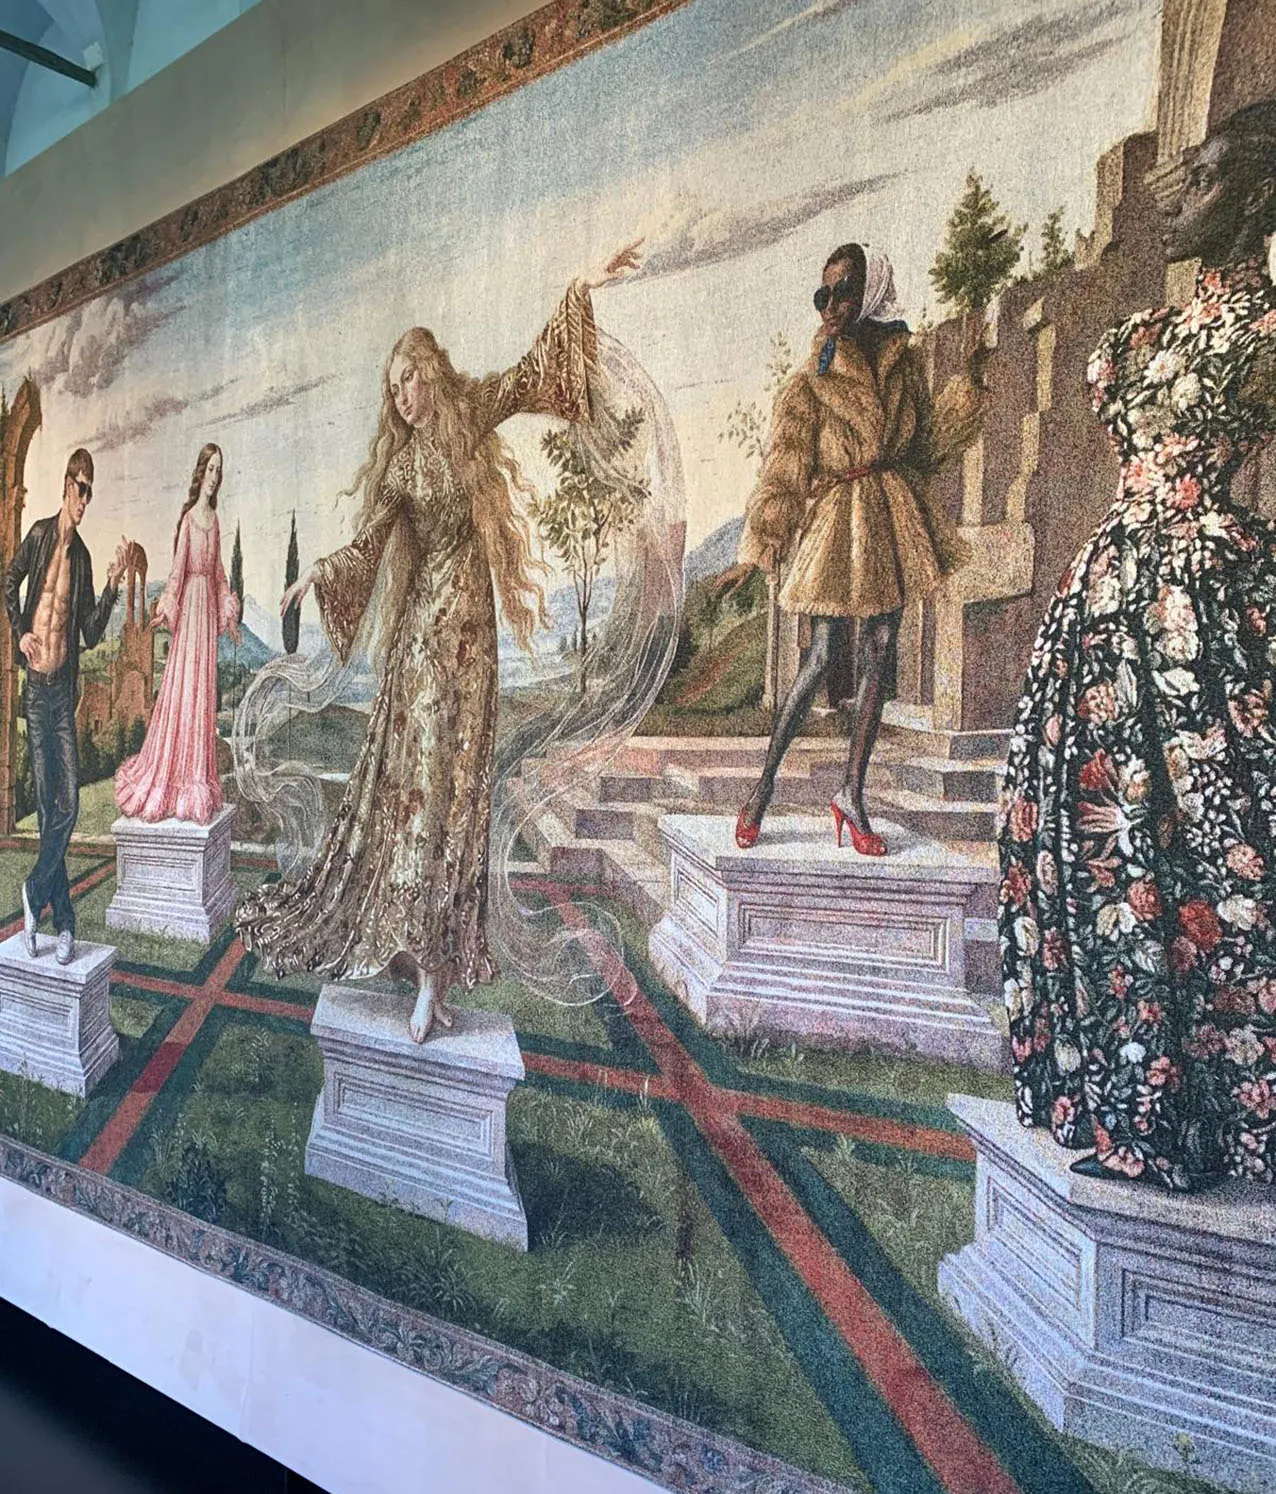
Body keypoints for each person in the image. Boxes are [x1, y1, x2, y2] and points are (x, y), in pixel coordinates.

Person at [236, 242, 643, 1042]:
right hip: (423, 645)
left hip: (473, 641)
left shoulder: (469, 415)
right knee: (422, 792)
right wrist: (316, 574)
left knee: (460, 797)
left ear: (431, 373)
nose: (403, 396)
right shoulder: (398, 470)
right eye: (393, 388)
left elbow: (531, 374)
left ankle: (438, 971)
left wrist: (581, 285)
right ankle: (422, 967)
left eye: (409, 380)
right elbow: (367, 547)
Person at [998, 99, 1276, 1192]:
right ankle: (1122, 1092)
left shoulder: (1263, 335)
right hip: (1108, 602)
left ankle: (1208, 1106)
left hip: (1204, 606)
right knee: (1103, 836)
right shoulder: (1143, 338)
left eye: (1206, 179)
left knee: (1215, 835)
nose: (1180, 195)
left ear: (1257, 198)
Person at [715, 242, 989, 854]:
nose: (831, 306)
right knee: (820, 657)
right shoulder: (810, 380)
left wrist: (969, 385)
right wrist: (755, 551)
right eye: (824, 294)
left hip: (891, 519)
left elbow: (926, 449)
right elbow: (784, 469)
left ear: (871, 294)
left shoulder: (903, 364)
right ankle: (761, 789)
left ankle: (851, 794)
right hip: (838, 523)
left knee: (881, 652)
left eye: (844, 292)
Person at [4, 449, 128, 964]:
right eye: (81, 488)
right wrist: (21, 633)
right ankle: (65, 924)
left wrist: (115, 584)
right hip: (36, 693)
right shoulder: (38, 537)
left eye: (91, 492)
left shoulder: (84, 559)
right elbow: (8, 582)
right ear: (65, 486)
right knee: (49, 803)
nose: (85, 500)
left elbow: (91, 633)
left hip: (62, 698)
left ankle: (34, 895)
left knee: (68, 805)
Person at [115, 444, 241, 824]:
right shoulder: (189, 520)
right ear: (200, 473)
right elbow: (177, 573)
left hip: (206, 620)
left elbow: (219, 575)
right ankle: (173, 778)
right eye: (211, 469)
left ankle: (195, 779)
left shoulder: (214, 521)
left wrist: (228, 611)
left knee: (201, 693)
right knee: (184, 690)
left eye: (219, 470)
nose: (215, 477)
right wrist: (166, 609)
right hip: (189, 621)